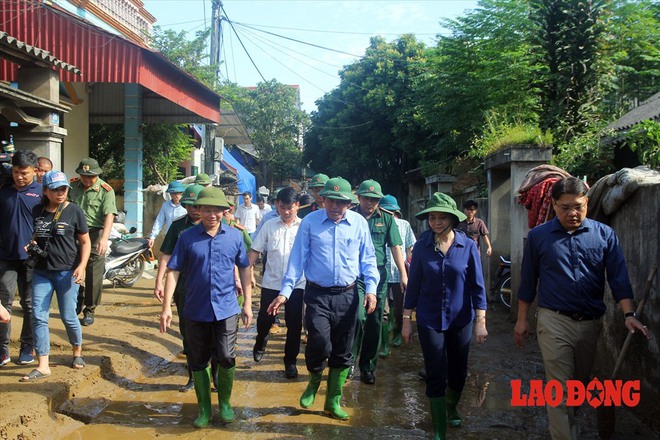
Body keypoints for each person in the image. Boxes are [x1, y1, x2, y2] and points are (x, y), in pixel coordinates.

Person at [514, 177, 649, 440]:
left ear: (586, 203)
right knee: (559, 389)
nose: (572, 213)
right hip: (554, 322)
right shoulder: (539, 237)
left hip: (591, 322)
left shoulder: (604, 235)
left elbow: (619, 278)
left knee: (577, 387)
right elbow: (528, 281)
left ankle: (564, 425)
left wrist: (629, 314)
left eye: (578, 206)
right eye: (565, 207)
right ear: (553, 205)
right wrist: (522, 320)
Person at [267, 176, 379, 421]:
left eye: (341, 202)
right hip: (317, 295)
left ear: (349, 203)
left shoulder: (359, 223)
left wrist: (370, 290)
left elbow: (368, 260)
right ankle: (314, 380)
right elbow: (297, 260)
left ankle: (333, 400)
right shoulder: (310, 223)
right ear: (323, 199)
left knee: (343, 350)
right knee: (319, 342)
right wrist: (285, 293)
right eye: (331, 200)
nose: (335, 207)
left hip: (348, 296)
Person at [160, 186, 253, 428]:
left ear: (225, 211)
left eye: (217, 210)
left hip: (227, 308)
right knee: (198, 359)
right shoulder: (187, 237)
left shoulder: (234, 237)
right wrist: (167, 307)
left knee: (225, 356)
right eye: (207, 210)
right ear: (199, 210)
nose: (212, 215)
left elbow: (245, 267)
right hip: (195, 308)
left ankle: (224, 403)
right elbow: (174, 271)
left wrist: (249, 305)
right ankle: (203, 409)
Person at [402, 192, 488, 440]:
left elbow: (478, 286)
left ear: (453, 219)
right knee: (435, 371)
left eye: (441, 218)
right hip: (429, 319)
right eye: (432, 218)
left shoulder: (468, 246)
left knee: (459, 373)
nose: (436, 222)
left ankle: (451, 406)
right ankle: (440, 428)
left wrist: (480, 321)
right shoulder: (421, 247)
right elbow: (414, 285)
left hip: (461, 318)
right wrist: (407, 321)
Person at [20, 171, 91, 381]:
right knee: (38, 316)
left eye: (63, 189)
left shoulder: (74, 211)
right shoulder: (37, 211)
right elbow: (34, 235)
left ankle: (77, 352)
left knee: (68, 316)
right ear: (45, 191)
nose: (60, 193)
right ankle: (43, 365)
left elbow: (85, 243)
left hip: (67, 271)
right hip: (42, 271)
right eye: (55, 189)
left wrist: (82, 266)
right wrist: (31, 245)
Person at [350, 179, 407, 385]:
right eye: (366, 198)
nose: (370, 203)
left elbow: (395, 247)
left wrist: (403, 274)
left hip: (379, 276)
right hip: (355, 276)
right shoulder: (350, 216)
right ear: (359, 198)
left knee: (374, 321)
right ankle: (349, 362)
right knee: (357, 317)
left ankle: (368, 366)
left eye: (374, 199)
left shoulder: (387, 218)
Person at [249, 187, 305, 379]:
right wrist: (247, 271)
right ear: (277, 206)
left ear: (297, 206)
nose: (286, 212)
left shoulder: (305, 227)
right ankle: (260, 341)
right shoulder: (269, 225)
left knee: (294, 324)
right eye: (282, 207)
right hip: (272, 283)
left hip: (298, 285)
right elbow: (255, 249)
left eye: (290, 207)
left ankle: (290, 361)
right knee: (265, 319)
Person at [153, 184, 203, 392]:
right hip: (184, 286)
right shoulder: (177, 226)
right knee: (189, 334)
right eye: (188, 205)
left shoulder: (218, 223)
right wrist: (159, 281)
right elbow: (166, 255)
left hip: (210, 288)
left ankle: (216, 377)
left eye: (196, 205)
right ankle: (194, 376)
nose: (193, 209)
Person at [0, 150, 42, 366]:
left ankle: (27, 346)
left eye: (24, 173)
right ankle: (3, 350)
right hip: (5, 257)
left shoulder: (43, 194)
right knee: (3, 305)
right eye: (16, 172)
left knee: (29, 304)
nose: (19, 177)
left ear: (35, 171)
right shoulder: (4, 192)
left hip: (30, 260)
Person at [69, 158, 117, 326]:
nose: (87, 180)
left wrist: (104, 238)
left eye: (91, 177)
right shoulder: (72, 186)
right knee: (71, 268)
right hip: (73, 234)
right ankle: (76, 300)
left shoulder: (106, 190)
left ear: (98, 175)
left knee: (93, 274)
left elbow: (109, 214)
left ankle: (90, 309)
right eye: (83, 176)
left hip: (94, 234)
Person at [379, 194, 416, 352]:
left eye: (391, 212)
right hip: (381, 274)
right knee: (382, 310)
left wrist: (408, 272)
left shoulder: (404, 225)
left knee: (400, 308)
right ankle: (384, 344)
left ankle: (397, 335)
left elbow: (410, 248)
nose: (389, 215)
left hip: (398, 273)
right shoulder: (377, 224)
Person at [148, 181, 187, 249]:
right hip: (170, 238)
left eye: (178, 193)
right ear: (170, 194)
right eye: (173, 193)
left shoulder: (186, 206)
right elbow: (159, 221)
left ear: (181, 193)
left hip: (184, 238)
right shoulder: (166, 205)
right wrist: (152, 237)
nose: (176, 195)